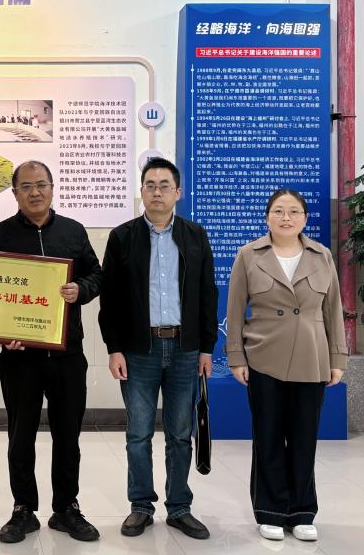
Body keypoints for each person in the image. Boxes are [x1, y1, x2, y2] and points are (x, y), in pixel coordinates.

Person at [98, 156, 217, 541]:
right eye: (150, 185)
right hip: (138, 349)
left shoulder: (195, 236)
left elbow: (207, 294)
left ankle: (179, 507)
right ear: (141, 191)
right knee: (138, 433)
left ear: (178, 192)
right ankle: (141, 506)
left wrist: (206, 348)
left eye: (164, 185)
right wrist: (114, 348)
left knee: (180, 433)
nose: (157, 192)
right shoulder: (123, 237)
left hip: (185, 348)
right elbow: (110, 299)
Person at [0, 160, 103, 544]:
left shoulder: (73, 230)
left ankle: (66, 508)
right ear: (14, 192)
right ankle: (23, 509)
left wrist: (81, 290)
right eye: (26, 186)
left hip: (67, 353)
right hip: (19, 356)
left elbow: (96, 275)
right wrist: (2, 334)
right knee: (20, 436)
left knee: (68, 435)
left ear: (52, 188)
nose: (35, 192)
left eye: (41, 185)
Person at [226, 189, 347, 544]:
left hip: (312, 356)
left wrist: (337, 358)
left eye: (294, 211)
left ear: (305, 218)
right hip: (264, 357)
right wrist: (236, 356)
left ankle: (302, 512)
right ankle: (271, 511)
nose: (286, 217)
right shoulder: (249, 255)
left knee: (304, 438)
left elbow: (333, 310)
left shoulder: (321, 256)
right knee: (268, 437)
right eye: (278, 211)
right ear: (267, 217)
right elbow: (235, 310)